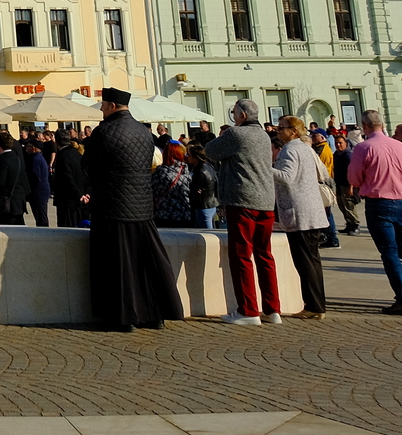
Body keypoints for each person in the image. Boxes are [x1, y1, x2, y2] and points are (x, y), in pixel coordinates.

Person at [83, 89, 185, 332]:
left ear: (111, 105)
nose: (100, 109)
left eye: (103, 105)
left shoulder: (104, 132)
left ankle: (124, 317)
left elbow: (88, 165)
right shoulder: (143, 132)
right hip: (141, 205)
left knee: (117, 264)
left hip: (112, 204)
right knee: (147, 262)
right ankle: (155, 314)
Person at [347, 110, 402, 314]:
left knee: (390, 252)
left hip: (379, 202)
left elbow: (354, 179)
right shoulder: (399, 146)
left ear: (365, 126)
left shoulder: (363, 147)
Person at [206, 98, 279, 326]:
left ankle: (248, 310)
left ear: (242, 116)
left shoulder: (236, 134)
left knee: (241, 255)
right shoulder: (264, 136)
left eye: (235, 112)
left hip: (242, 199)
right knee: (265, 255)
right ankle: (272, 309)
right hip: (266, 200)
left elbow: (210, 151)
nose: (233, 116)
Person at [272, 117, 328, 319]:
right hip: (311, 211)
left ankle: (314, 305)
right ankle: (317, 304)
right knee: (312, 261)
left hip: (300, 212)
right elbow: (322, 172)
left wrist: (264, 168)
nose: (278, 131)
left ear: (293, 131)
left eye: (282, 128)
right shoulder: (306, 148)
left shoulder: (290, 149)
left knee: (305, 262)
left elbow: (287, 176)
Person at [0, 135, 32, 225]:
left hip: (8, 202)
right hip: (19, 200)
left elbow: (0, 182)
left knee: (8, 228)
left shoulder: (2, 160)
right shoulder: (17, 158)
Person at [51, 135, 88, 227]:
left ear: (56, 141)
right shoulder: (77, 153)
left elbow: (67, 178)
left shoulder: (63, 156)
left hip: (67, 200)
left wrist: (78, 194)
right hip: (80, 198)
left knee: (67, 229)